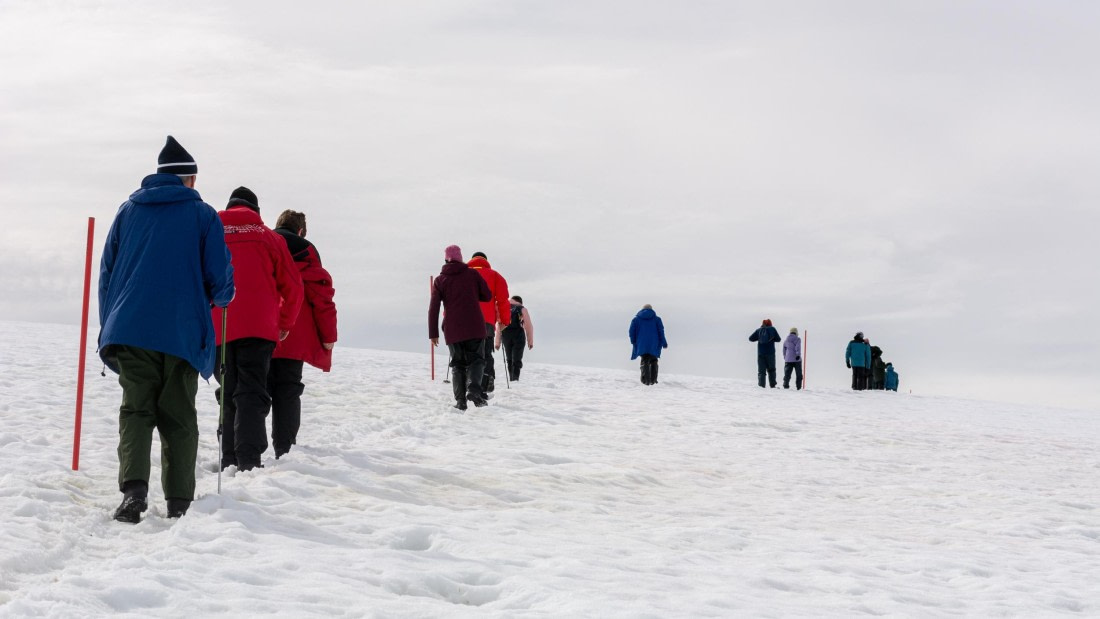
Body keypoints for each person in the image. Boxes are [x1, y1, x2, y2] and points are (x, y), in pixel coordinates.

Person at [99, 136, 234, 523]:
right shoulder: (203, 215)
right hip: (182, 330)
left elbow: (107, 273)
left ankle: (134, 492)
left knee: (136, 410)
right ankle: (179, 502)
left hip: (130, 328)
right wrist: (222, 296)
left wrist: (111, 323)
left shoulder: (127, 211)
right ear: (188, 179)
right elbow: (220, 275)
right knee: (178, 414)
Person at [212, 187, 303, 472]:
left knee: (227, 390)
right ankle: (249, 460)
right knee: (252, 391)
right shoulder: (269, 237)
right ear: (256, 211)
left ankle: (228, 457)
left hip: (220, 326)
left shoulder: (211, 231)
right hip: (259, 328)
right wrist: (285, 323)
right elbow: (294, 286)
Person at [268, 210, 338, 459]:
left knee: (255, 389)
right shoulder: (308, 254)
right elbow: (322, 299)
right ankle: (284, 450)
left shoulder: (264, 244)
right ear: (300, 231)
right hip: (294, 337)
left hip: (260, 331)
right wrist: (329, 336)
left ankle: (248, 451)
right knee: (287, 390)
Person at [430, 245, 493, 409]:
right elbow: (487, 295)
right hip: (474, 325)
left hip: (453, 328)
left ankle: (460, 401)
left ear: (446, 259)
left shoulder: (439, 280)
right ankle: (473, 389)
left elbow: (434, 308)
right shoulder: (473, 274)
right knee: (477, 360)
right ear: (461, 258)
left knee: (457, 364)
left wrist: (433, 333)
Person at [467, 251, 511, 396]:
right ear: (485, 260)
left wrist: (447, 316)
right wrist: (505, 321)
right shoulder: (495, 276)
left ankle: (469, 383)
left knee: (468, 352)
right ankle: (486, 382)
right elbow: (503, 300)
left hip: (464, 320)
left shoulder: (461, 275)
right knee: (485, 353)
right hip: (486, 322)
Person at [629, 304, 668, 385]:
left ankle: (645, 380)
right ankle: (653, 380)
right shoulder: (657, 320)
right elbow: (661, 331)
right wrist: (664, 343)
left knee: (644, 359)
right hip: (654, 343)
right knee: (653, 360)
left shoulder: (636, 320)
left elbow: (631, 332)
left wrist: (633, 341)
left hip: (641, 343)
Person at [499, 295, 534, 381]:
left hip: (505, 336)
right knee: (517, 358)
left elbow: (499, 325)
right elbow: (528, 325)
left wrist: (497, 342)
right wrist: (530, 341)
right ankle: (515, 378)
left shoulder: (504, 308)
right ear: (520, 301)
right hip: (518, 335)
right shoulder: (522, 308)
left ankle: (511, 378)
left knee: (509, 359)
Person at [748, 319, 782, 388]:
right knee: (771, 370)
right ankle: (773, 386)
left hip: (761, 353)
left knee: (761, 371)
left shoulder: (759, 330)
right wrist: (772, 339)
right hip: (770, 353)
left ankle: (761, 386)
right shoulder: (772, 329)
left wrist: (759, 338)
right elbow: (778, 339)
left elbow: (750, 338)